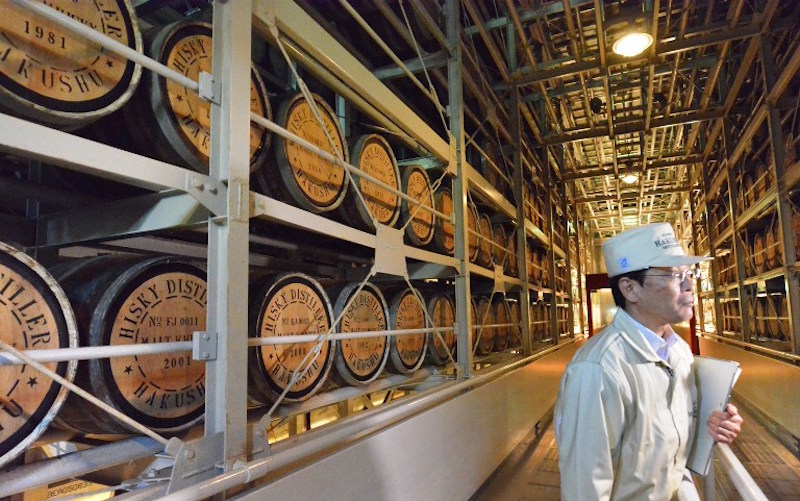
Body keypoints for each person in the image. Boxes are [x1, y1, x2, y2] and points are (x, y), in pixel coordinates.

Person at [554, 223, 743, 501]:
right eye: (674, 275)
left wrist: (712, 425)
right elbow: (585, 486)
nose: (690, 285)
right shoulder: (597, 370)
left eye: (689, 273)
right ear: (630, 289)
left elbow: (668, 436)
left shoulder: (679, 352)